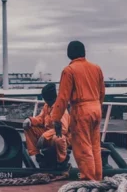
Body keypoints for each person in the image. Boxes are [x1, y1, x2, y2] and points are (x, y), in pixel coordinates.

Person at [51, 40, 105, 181]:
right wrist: (97, 107)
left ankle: (88, 180)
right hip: (96, 108)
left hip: (82, 110)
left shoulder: (69, 71)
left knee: (83, 147)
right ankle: (98, 178)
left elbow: (63, 98)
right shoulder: (96, 68)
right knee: (95, 147)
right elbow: (102, 92)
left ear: (70, 53)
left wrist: (56, 118)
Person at [22, 83, 71, 169]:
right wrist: (30, 120)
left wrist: (45, 135)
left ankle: (62, 162)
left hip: (62, 136)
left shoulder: (61, 108)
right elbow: (41, 118)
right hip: (48, 134)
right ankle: (38, 156)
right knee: (29, 128)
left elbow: (63, 129)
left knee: (58, 138)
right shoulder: (47, 106)